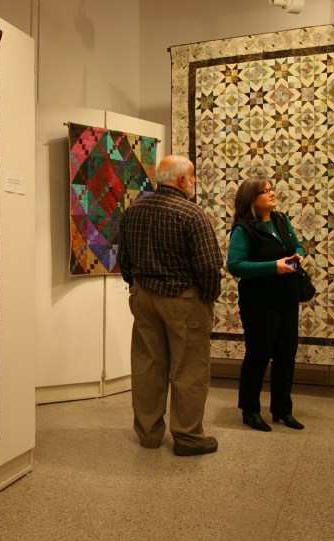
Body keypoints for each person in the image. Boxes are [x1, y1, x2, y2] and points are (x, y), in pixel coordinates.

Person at [117, 154, 223, 456]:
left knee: (148, 366)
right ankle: (188, 438)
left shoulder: (134, 210)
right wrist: (206, 300)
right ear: (181, 181)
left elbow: (123, 259)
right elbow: (209, 268)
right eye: (192, 177)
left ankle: (149, 435)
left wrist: (138, 285)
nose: (193, 182)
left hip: (143, 297)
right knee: (189, 370)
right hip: (183, 301)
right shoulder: (191, 214)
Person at [227, 177, 306, 432]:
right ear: (252, 199)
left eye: (272, 189)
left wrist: (299, 257)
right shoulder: (243, 229)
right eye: (265, 191)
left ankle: (283, 409)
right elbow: (236, 266)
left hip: (287, 298)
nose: (272, 194)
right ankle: (250, 410)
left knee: (286, 355)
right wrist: (275, 266)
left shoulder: (281, 219)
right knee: (258, 356)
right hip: (259, 302)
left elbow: (298, 246)